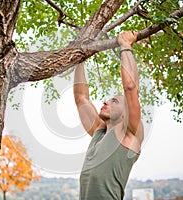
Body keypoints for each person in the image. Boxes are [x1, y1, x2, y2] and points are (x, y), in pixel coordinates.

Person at [73, 30, 144, 200]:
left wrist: (126, 46)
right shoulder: (98, 132)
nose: (106, 102)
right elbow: (81, 98)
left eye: (115, 101)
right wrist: (79, 60)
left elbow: (130, 89)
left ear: (126, 113)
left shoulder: (128, 134)